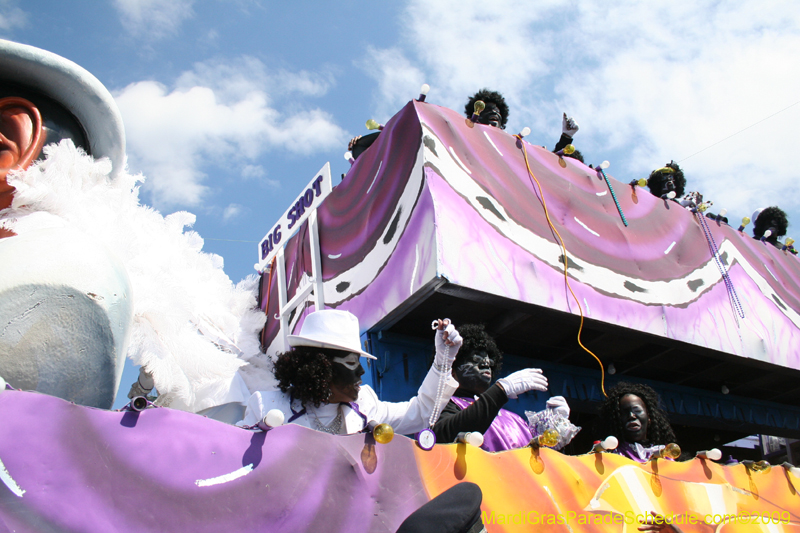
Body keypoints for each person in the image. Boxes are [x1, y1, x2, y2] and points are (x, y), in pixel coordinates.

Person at [239, 310, 462, 435]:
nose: (361, 371)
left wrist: (443, 360)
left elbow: (422, 413)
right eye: (351, 362)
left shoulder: (366, 404)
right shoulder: (265, 407)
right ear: (320, 366)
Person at [432, 323, 568, 452]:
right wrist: (501, 390)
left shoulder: (515, 419)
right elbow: (443, 435)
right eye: (475, 361)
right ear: (452, 371)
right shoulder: (440, 407)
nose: (486, 365)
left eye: (489, 362)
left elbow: (534, 457)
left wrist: (554, 426)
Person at [597, 382, 678, 462]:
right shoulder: (608, 455)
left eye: (637, 410)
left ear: (649, 417)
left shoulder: (666, 456)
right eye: (623, 413)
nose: (631, 415)